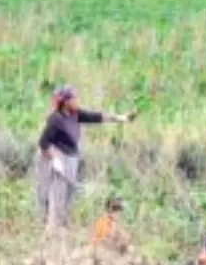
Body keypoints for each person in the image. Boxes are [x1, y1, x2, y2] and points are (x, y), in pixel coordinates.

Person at [35, 86, 133, 229]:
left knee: (70, 195)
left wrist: (121, 118)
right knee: (58, 196)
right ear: (65, 102)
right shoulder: (55, 119)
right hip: (59, 159)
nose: (76, 101)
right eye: (73, 98)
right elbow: (43, 143)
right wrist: (54, 159)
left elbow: (98, 117)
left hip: (71, 158)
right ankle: (52, 231)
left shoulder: (76, 114)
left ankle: (63, 227)